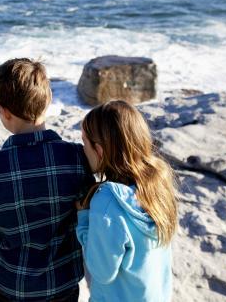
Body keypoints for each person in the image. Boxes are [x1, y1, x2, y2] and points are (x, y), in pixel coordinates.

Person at [0, 58, 94, 301]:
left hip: (12, 284)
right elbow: (85, 213)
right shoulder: (77, 157)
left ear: (4, 112)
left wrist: (4, 234)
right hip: (63, 281)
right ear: (48, 101)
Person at [76, 100, 177, 302]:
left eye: (85, 142)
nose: (82, 149)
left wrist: (84, 221)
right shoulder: (158, 183)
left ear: (100, 151)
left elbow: (102, 272)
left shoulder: (107, 201)